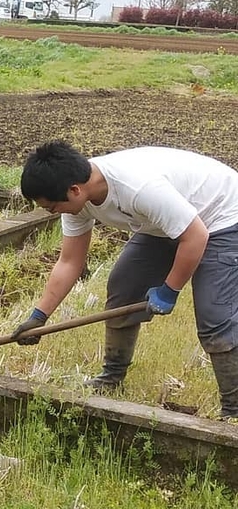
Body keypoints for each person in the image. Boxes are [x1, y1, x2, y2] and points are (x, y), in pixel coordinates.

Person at [13, 140, 238, 419]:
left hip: (223, 218)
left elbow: (196, 236)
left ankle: (234, 410)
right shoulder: (76, 197)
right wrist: (39, 316)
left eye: (52, 207)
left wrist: (170, 289)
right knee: (123, 287)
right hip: (164, 224)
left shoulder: (138, 188)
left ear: (74, 190)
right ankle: (111, 377)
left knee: (215, 314)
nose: (52, 212)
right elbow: (70, 261)